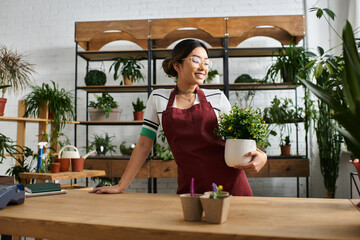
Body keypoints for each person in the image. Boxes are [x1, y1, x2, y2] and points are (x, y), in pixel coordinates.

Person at [90, 39, 267, 196]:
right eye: (196, 60)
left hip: (230, 186)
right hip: (190, 188)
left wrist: (262, 155)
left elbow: (236, 140)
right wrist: (121, 185)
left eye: (207, 62)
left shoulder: (218, 98)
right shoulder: (159, 99)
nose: (203, 67)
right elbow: (144, 144)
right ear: (177, 65)